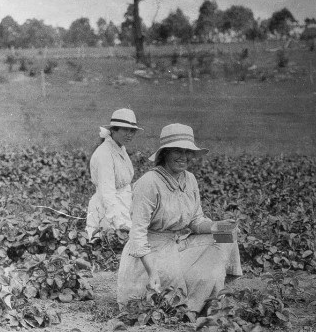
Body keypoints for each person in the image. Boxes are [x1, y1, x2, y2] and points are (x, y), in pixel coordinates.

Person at [117, 123, 242, 313]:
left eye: (187, 151)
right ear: (165, 153)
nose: (184, 157)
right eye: (177, 150)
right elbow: (137, 236)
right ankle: (193, 301)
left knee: (227, 236)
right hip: (151, 255)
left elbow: (196, 221)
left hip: (177, 245)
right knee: (169, 301)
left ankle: (212, 293)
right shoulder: (149, 183)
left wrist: (218, 226)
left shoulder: (189, 179)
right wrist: (152, 272)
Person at [85, 108, 143, 239]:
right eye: (125, 130)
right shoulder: (105, 154)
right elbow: (107, 193)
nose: (129, 134)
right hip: (108, 209)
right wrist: (120, 224)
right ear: (114, 130)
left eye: (132, 131)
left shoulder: (120, 148)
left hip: (123, 205)